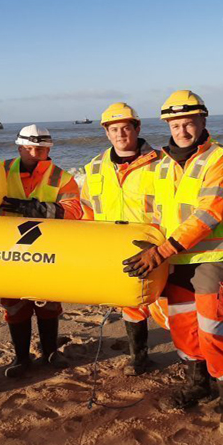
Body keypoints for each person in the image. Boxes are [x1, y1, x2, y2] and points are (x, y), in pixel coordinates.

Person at [122, 91, 223, 433]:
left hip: (211, 258)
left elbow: (209, 215)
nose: (182, 130)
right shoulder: (161, 164)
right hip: (175, 259)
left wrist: (160, 252)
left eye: (189, 123)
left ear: (203, 121)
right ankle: (198, 384)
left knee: (211, 331)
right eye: (175, 124)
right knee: (182, 328)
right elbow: (153, 212)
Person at [80, 102, 161, 376]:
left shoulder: (161, 163)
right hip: (114, 245)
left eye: (125, 128)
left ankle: (193, 358)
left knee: (166, 307)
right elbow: (87, 208)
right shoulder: (94, 167)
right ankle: (139, 358)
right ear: (106, 132)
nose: (120, 134)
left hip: (154, 245)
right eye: (113, 129)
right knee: (130, 302)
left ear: (137, 128)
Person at [0, 124, 83, 377]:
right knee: (14, 305)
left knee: (48, 303)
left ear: (49, 149)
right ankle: (21, 358)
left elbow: (74, 211)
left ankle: (50, 353)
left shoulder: (61, 177)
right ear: (19, 147)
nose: (35, 153)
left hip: (47, 249)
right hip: (8, 249)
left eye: (41, 149)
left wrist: (33, 208)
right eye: (29, 148)